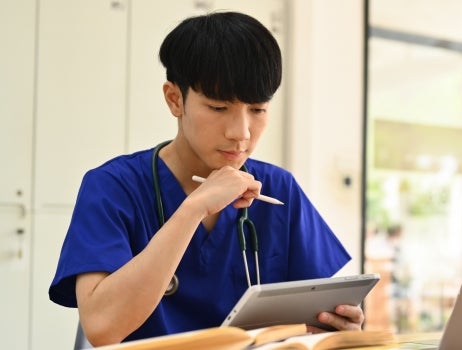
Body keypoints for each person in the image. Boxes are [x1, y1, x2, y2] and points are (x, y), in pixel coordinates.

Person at [48, 11, 363, 346]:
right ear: (174, 99)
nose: (241, 133)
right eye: (218, 108)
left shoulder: (279, 189)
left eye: (257, 110)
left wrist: (340, 326)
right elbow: (101, 327)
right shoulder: (113, 187)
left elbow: (318, 317)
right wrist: (193, 209)